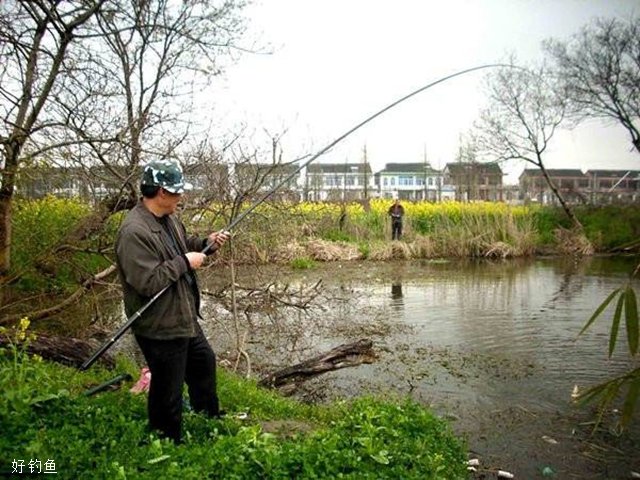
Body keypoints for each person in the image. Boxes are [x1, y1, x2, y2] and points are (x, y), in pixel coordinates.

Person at [115, 159, 229, 444]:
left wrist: (207, 243)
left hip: (183, 315)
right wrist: (185, 263)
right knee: (168, 387)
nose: (181, 197)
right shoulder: (134, 232)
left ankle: (208, 418)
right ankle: (167, 439)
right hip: (159, 324)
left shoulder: (169, 219)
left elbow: (184, 244)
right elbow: (147, 282)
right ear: (161, 193)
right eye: (177, 192)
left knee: (204, 363)